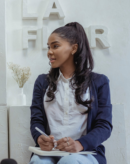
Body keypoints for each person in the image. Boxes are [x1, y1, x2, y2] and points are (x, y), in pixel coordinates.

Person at [29, 22, 112, 164]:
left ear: (74, 48)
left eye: (55, 46)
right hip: (50, 152)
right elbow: (36, 121)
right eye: (49, 47)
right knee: (39, 162)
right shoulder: (42, 82)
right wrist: (39, 138)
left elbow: (104, 125)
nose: (49, 51)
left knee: (70, 162)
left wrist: (79, 144)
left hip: (85, 152)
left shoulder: (99, 82)